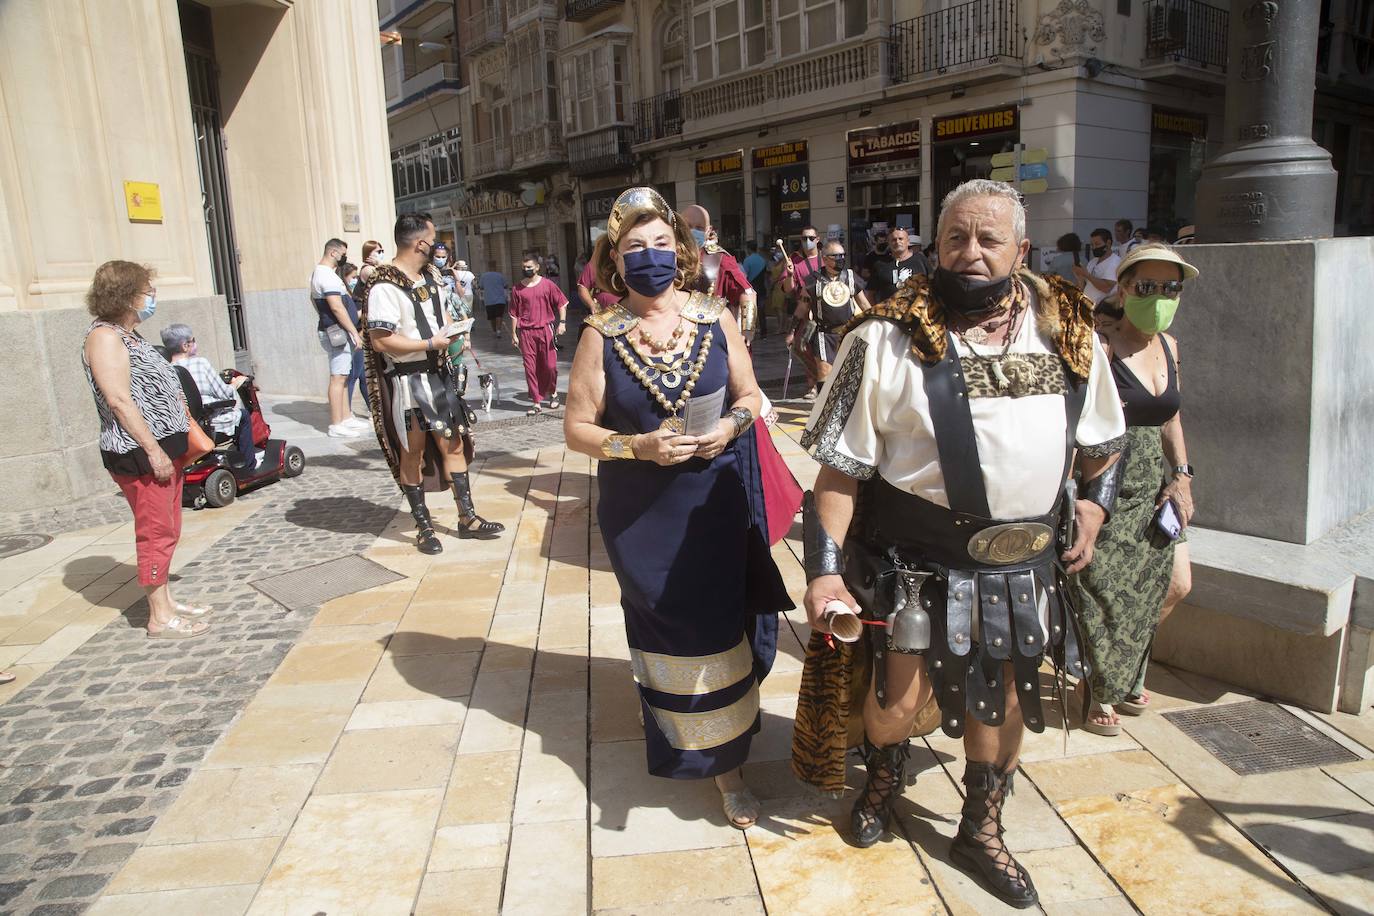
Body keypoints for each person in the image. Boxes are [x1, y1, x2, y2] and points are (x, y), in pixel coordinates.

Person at [791, 179, 1126, 908]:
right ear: (935, 244)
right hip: (913, 563)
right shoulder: (884, 336)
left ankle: (981, 828)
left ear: (1021, 250)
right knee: (893, 702)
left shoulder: (1068, 329)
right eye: (955, 238)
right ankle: (882, 774)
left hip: (1022, 567)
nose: (970, 253)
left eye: (989, 240)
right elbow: (838, 474)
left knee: (1002, 700)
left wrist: (1094, 511)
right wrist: (823, 574)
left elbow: (1106, 442)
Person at [562, 186, 791, 829]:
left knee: (722, 630)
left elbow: (750, 396)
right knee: (670, 628)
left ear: (683, 251)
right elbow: (577, 429)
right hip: (642, 514)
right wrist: (636, 444)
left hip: (715, 508)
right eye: (636, 247)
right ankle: (684, 732)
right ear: (614, 260)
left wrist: (731, 428)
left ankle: (729, 763)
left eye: (662, 244)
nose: (651, 256)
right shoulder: (600, 335)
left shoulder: (715, 317)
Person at [1073, 243, 1195, 736]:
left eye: (1172, 287)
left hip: (1158, 491)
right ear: (1123, 289)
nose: (1161, 297)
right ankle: (1099, 686)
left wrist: (1183, 474)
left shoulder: (1169, 345)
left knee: (1175, 585)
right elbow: (1081, 425)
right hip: (1110, 484)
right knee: (1102, 595)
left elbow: (1172, 417)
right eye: (1148, 287)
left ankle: (1121, 669)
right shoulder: (1099, 346)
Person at [360, 213, 505, 554]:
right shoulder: (384, 286)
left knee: (453, 445)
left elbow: (441, 317)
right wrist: (428, 345)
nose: (439, 247)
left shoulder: (431, 278)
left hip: (439, 377)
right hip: (409, 383)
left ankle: (467, 518)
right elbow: (380, 340)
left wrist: (457, 329)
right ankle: (424, 527)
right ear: (420, 243)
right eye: (434, 239)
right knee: (413, 452)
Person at [83, 261, 212, 640]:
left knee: (168, 527)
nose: (152, 295)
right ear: (126, 294)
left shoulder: (129, 334)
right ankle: (159, 617)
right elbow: (119, 400)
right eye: (146, 289)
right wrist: (153, 450)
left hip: (164, 447)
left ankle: (167, 601)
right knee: (156, 531)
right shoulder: (105, 337)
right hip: (140, 452)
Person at [161, 324, 257, 472]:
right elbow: (223, 393)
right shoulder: (200, 363)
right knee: (244, 416)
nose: (195, 344)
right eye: (193, 340)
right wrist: (235, 384)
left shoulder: (165, 369)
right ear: (185, 345)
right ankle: (249, 466)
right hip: (208, 421)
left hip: (184, 425)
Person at [786, 239, 869, 397]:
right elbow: (801, 309)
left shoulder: (851, 277)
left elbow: (865, 305)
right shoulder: (812, 282)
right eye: (836, 256)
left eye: (842, 255)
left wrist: (878, 324)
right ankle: (824, 413)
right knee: (824, 373)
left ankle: (848, 413)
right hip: (824, 335)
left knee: (850, 376)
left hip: (849, 333)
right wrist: (792, 332)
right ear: (824, 258)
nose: (841, 259)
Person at [310, 238, 365, 438]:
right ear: (333, 253)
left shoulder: (326, 274)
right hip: (338, 333)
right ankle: (336, 423)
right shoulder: (324, 275)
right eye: (342, 253)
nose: (344, 257)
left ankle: (346, 417)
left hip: (338, 331)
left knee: (344, 376)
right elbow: (336, 306)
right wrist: (352, 331)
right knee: (338, 377)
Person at [680, 205, 757, 337]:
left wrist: (747, 332)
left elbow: (747, 293)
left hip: (708, 334)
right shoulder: (668, 255)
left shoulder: (720, 259)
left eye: (699, 228)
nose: (692, 231)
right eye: (688, 226)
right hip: (675, 332)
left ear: (708, 230)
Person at [509, 254, 568, 414]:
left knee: (549, 366)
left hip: (545, 330)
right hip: (526, 333)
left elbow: (562, 303)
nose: (526, 269)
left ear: (537, 267)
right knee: (530, 368)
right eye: (524, 267)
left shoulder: (548, 285)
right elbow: (514, 313)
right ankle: (536, 402)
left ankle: (553, 392)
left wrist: (562, 323)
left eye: (529, 267)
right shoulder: (517, 289)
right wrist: (514, 334)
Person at [866, 226, 930, 305]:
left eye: (900, 239)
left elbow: (934, 286)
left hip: (917, 313)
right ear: (889, 243)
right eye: (893, 240)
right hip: (890, 315)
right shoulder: (880, 265)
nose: (897, 242)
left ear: (908, 242)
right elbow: (870, 294)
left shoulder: (921, 260)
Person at [338, 262, 368, 420]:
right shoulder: (344, 295)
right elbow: (349, 317)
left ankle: (371, 410)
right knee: (352, 376)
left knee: (363, 376)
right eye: (353, 277)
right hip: (354, 337)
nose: (355, 279)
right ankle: (346, 413)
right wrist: (364, 312)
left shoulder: (352, 293)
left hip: (359, 336)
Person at [1073, 228, 1120, 309]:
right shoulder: (1093, 262)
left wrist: (1087, 275)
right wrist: (1079, 276)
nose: (1094, 248)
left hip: (1103, 311)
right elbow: (1084, 286)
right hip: (1087, 308)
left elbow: (1107, 287)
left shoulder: (1115, 262)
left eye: (1097, 244)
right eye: (1092, 245)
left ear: (1108, 243)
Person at [577, 249, 620, 314]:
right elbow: (582, 287)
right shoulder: (594, 265)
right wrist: (591, 304)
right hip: (602, 313)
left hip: (626, 312)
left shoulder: (627, 263)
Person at [479, 261, 509, 340]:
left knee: (492, 317)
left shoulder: (484, 276)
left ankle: (494, 330)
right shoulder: (500, 276)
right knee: (499, 315)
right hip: (500, 299)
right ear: (495, 267)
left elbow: (481, 286)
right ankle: (499, 330)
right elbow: (506, 285)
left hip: (489, 300)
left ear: (488, 267)